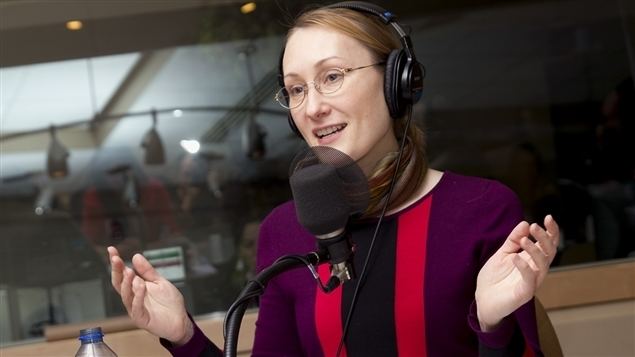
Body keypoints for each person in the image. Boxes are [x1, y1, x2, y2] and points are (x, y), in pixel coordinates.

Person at [108, 2, 560, 356]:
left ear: (396, 81)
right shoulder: (284, 231)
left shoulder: (479, 209)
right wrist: (184, 336)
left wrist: (493, 325)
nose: (312, 107)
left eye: (332, 77)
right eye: (297, 89)